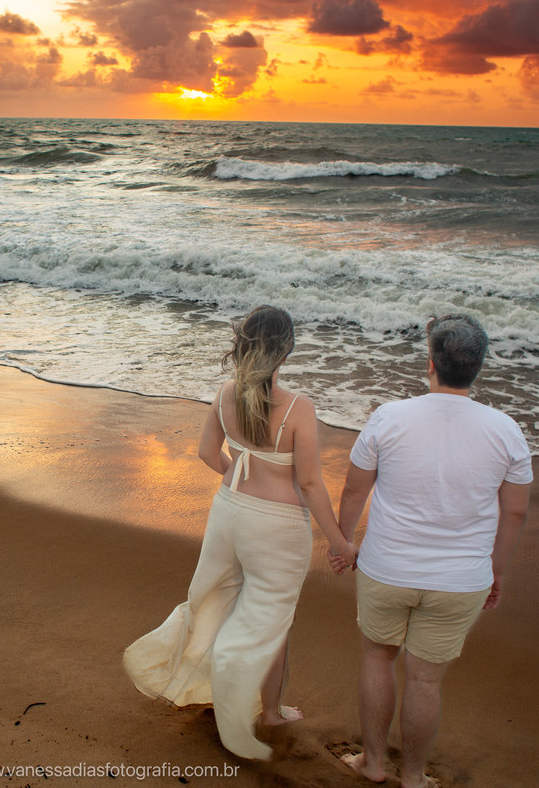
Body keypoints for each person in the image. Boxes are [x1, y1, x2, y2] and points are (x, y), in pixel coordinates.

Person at [123, 305, 354, 761]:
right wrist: (339, 542)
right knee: (271, 619)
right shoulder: (297, 408)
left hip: (228, 512)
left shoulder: (226, 393)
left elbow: (207, 452)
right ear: (285, 349)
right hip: (278, 528)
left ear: (242, 343)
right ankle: (269, 711)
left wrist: (238, 480)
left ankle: (205, 686)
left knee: (216, 600)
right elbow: (309, 483)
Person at [332, 313, 532, 788]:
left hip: (387, 568)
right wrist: (495, 571)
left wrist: (346, 543)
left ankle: (374, 764)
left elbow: (355, 491)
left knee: (378, 658)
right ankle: (415, 777)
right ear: (479, 367)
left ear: (431, 364)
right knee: (425, 681)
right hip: (460, 580)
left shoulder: (389, 416)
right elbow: (516, 514)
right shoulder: (506, 431)